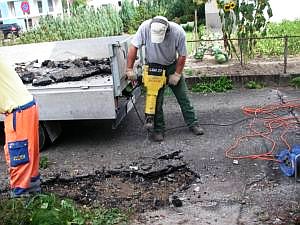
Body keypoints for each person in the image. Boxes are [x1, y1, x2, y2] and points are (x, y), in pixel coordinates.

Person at [126, 16, 204, 142]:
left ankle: (193, 124)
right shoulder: (145, 28)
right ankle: (158, 130)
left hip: (172, 66)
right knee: (156, 101)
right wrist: (129, 69)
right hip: (153, 67)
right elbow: (133, 47)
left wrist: (177, 74)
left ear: (167, 30)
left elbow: (182, 55)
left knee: (183, 97)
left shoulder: (178, 32)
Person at [0, 56, 41, 197]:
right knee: (29, 155)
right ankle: (35, 192)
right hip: (26, 107)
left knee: (18, 157)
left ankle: (19, 202)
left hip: (19, 111)